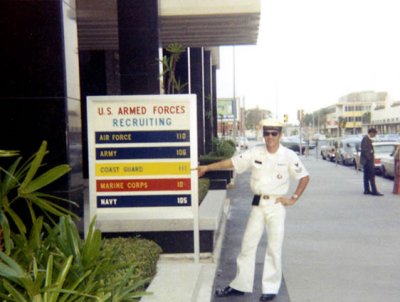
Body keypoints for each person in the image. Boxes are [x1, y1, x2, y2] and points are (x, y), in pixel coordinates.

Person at [196, 119, 310, 301]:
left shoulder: (288, 155)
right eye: (267, 133)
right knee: (247, 245)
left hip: (276, 205)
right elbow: (232, 163)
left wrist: (293, 198)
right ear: (263, 134)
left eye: (274, 133)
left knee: (274, 247)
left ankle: (270, 288)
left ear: (280, 135)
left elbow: (304, 177)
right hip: (258, 205)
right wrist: (207, 167)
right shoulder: (256, 152)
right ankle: (240, 284)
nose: (270, 137)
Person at [360, 128, 383, 196]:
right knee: (371, 176)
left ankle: (367, 190)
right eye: (374, 134)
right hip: (368, 161)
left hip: (366, 161)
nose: (375, 135)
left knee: (366, 176)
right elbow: (365, 150)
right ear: (371, 133)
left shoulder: (367, 139)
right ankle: (374, 191)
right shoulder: (366, 139)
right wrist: (370, 158)